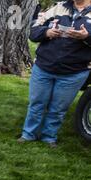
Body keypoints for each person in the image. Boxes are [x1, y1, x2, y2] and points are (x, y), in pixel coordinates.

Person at [19, 0, 91, 148]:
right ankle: (28, 134)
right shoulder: (58, 7)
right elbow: (33, 31)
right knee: (36, 104)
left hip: (74, 72)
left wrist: (86, 36)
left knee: (58, 109)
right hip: (44, 67)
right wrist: (46, 32)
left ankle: (49, 137)